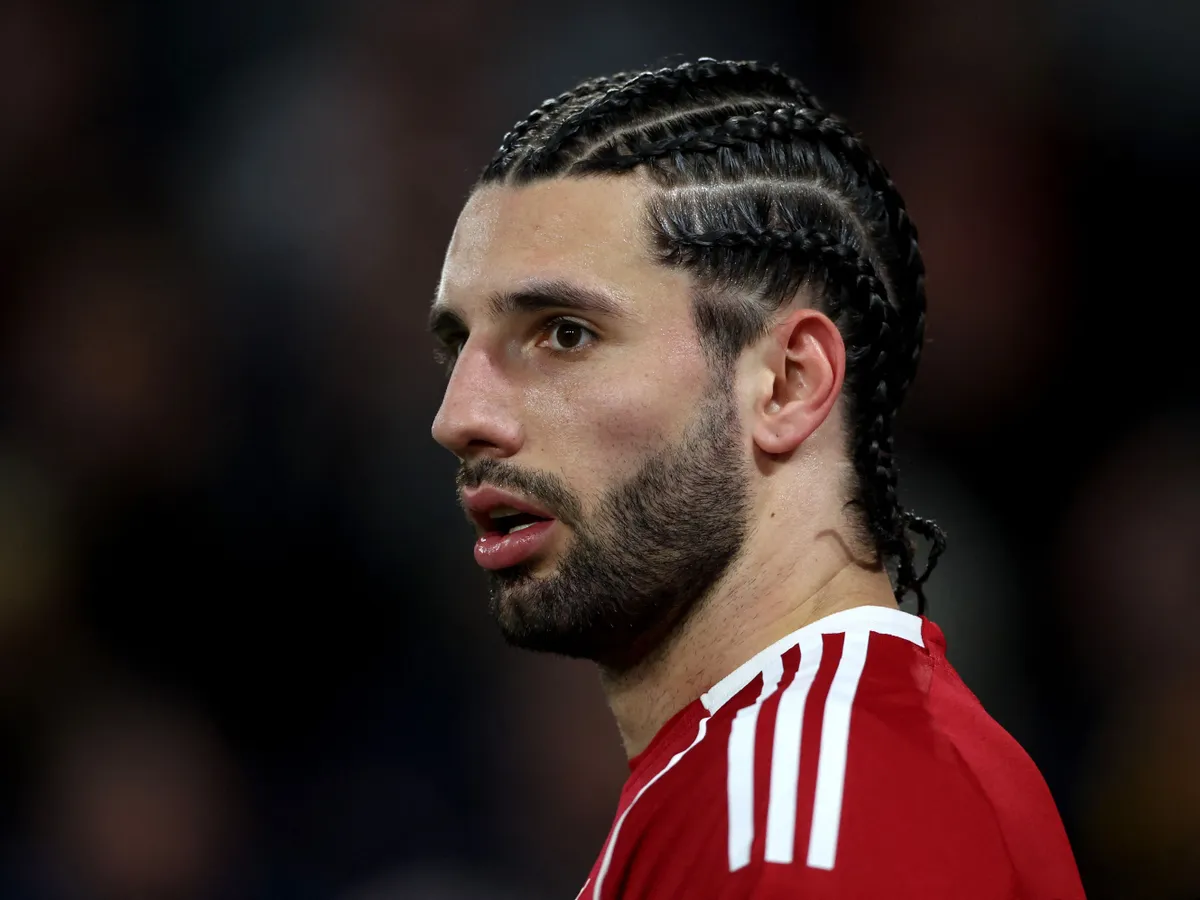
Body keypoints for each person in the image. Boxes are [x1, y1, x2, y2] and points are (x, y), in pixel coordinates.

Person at [428, 58, 1086, 900]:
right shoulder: (768, 782)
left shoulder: (810, 817)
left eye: (563, 334)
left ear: (787, 383)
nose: (458, 416)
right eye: (459, 347)